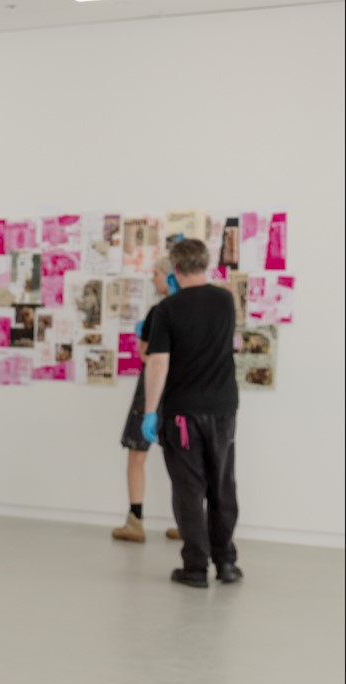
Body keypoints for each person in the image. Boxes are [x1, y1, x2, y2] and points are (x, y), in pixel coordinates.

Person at [142, 238, 243, 588]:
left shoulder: (168, 309)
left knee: (189, 489)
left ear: (175, 269)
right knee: (222, 485)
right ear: (205, 264)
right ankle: (226, 562)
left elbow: (157, 364)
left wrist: (149, 412)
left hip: (184, 412)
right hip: (223, 409)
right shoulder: (225, 300)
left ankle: (196, 567)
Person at [112, 256, 182, 543]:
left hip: (153, 388)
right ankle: (188, 520)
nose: (152, 279)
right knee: (183, 458)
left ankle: (135, 520)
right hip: (181, 388)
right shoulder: (194, 310)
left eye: (155, 274)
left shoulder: (161, 311)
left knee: (137, 453)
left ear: (169, 276)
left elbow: (147, 355)